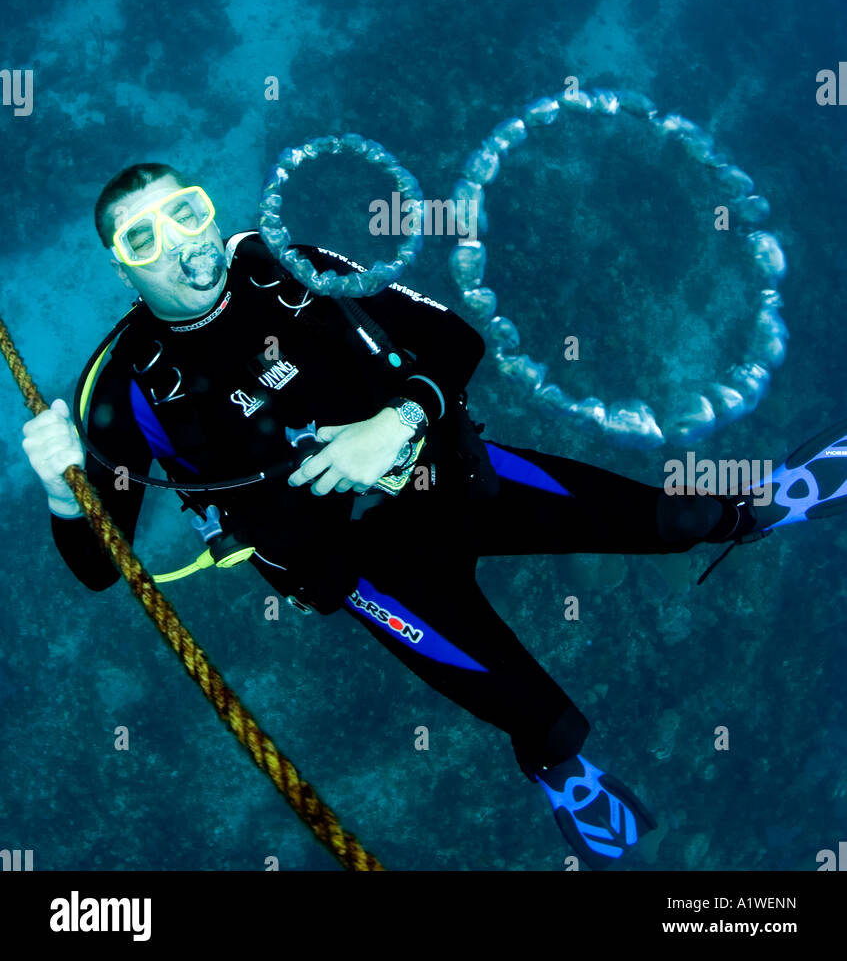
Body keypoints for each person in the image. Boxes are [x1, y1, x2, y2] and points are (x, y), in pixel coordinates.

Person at [21, 163, 847, 869]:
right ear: (119, 268)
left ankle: (760, 508)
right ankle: (558, 771)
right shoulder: (121, 389)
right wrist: (64, 490)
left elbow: (454, 340)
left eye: (187, 211)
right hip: (370, 575)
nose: (181, 242)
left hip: (458, 480)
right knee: (548, 723)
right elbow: (102, 569)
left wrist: (398, 420)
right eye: (143, 239)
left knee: (679, 521)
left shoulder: (289, 266)